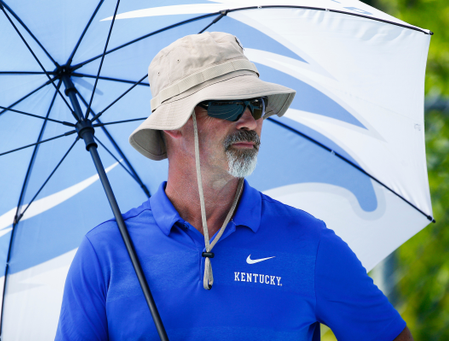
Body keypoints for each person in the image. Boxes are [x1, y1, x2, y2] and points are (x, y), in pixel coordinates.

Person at [56, 32, 413, 340]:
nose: (249, 121)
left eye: (255, 105)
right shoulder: (106, 253)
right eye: (227, 106)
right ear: (174, 124)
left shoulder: (309, 243)